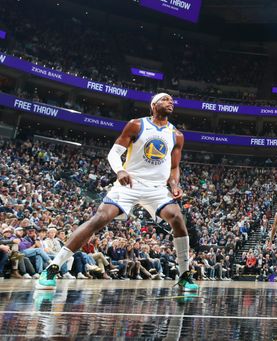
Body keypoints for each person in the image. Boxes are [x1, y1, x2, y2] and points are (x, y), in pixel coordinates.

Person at [36, 93, 199, 292]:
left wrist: (174, 184)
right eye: (165, 99)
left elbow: (174, 167)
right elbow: (114, 153)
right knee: (100, 218)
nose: (170, 102)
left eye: (172, 101)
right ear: (154, 105)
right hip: (130, 183)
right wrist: (120, 170)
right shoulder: (136, 125)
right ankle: (53, 267)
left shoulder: (177, 135)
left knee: (177, 218)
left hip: (157, 188)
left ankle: (184, 275)